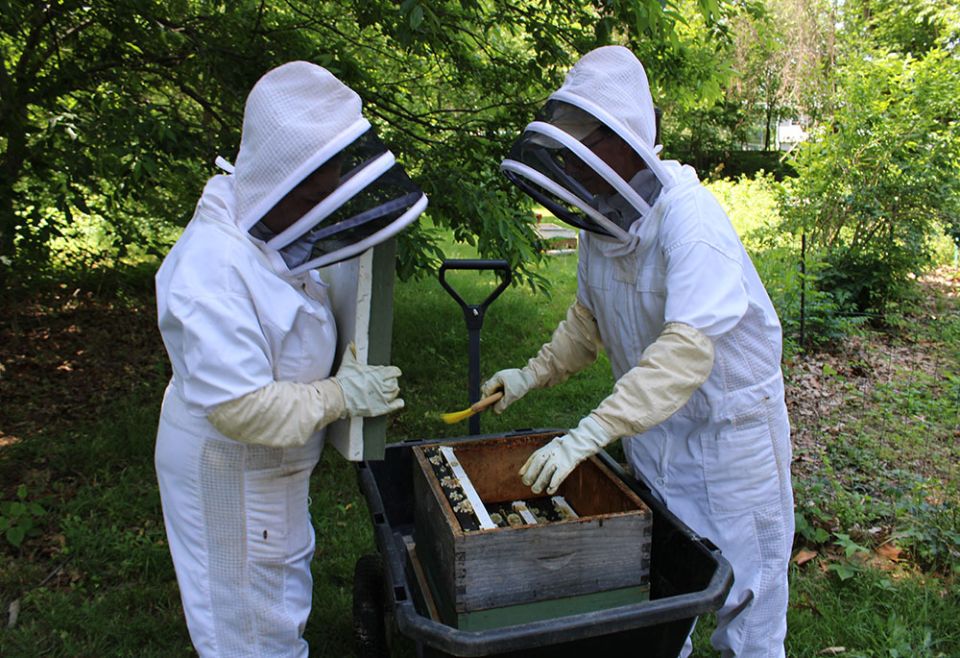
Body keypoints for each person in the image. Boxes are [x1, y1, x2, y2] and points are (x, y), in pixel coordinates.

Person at [484, 46, 793, 657]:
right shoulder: (601, 225)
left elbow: (685, 352)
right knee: (661, 594)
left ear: (626, 143)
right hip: (652, 434)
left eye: (589, 147)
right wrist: (529, 374)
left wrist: (591, 431)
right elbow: (587, 321)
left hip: (730, 441)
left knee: (749, 602)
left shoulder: (691, 222)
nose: (579, 166)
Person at [154, 61, 427, 657]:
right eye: (315, 187)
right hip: (232, 471)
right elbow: (241, 408)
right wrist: (339, 396)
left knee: (276, 598)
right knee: (247, 629)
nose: (328, 199)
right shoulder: (211, 271)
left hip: (267, 471)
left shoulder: (264, 231)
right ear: (276, 180)